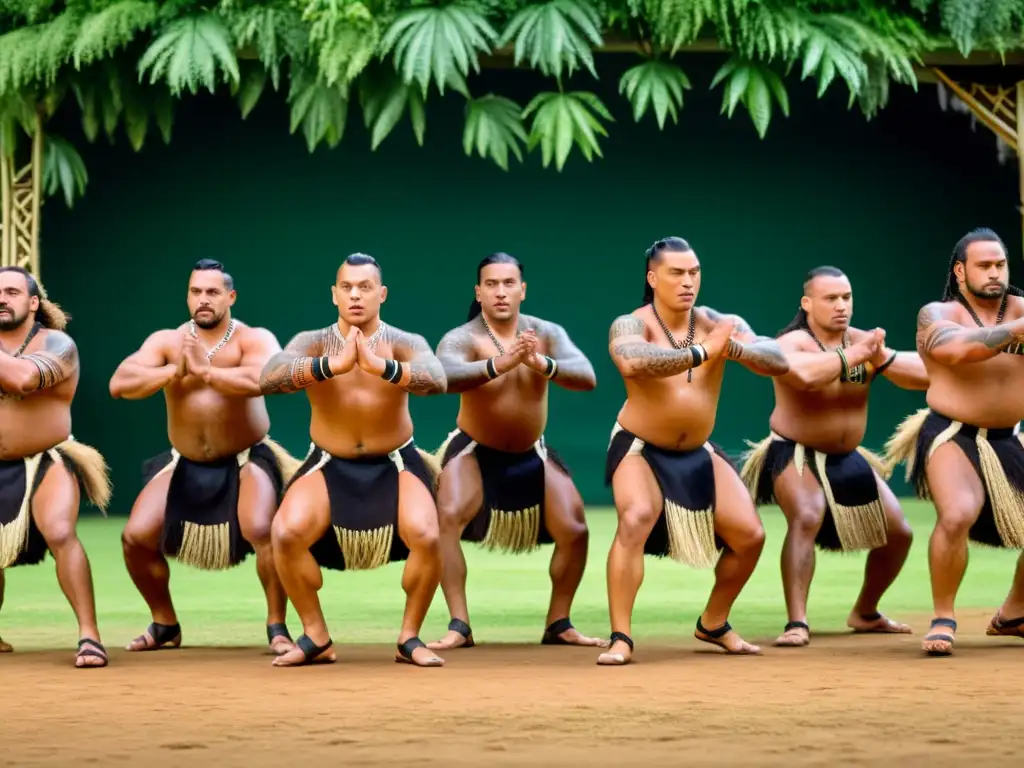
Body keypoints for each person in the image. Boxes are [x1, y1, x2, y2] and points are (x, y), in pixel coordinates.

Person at [599, 237, 790, 666]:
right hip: (639, 447)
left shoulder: (718, 321)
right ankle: (621, 637)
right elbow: (632, 362)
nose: (688, 282)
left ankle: (714, 623)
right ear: (652, 278)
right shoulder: (631, 323)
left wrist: (732, 347)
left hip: (698, 449)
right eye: (676, 273)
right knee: (635, 518)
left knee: (750, 536)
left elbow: (777, 359)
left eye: (694, 272)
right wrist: (703, 351)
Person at [258, 253, 449, 668]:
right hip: (329, 461)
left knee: (428, 535)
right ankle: (316, 636)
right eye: (347, 287)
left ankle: (409, 637)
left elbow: (437, 379)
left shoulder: (405, 341)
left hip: (396, 461)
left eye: (364, 287)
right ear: (334, 295)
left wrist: (381, 366)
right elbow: (268, 378)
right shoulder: (313, 341)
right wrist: (332, 365)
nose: (355, 295)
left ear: (382, 293)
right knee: (285, 532)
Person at [109, 259, 301, 656]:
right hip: (184, 460)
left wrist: (207, 372)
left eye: (212, 292)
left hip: (247, 457)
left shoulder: (253, 338)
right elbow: (120, 383)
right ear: (187, 297)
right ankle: (164, 623)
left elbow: (268, 379)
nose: (203, 299)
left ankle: (277, 625)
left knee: (263, 529)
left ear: (230, 297)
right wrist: (173, 372)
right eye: (196, 291)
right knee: (135, 537)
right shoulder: (167, 341)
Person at [738, 266, 928, 648]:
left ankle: (866, 612)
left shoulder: (864, 341)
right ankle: (797, 622)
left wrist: (883, 357)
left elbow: (927, 375)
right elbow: (805, 377)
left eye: (846, 297)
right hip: (792, 452)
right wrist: (856, 354)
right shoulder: (792, 343)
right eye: (830, 298)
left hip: (848, 456)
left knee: (900, 534)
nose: (841, 306)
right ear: (807, 303)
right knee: (807, 515)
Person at [426, 252, 605, 651]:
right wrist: (500, 364)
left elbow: (587, 375)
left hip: (531, 451)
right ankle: (459, 624)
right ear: (479, 291)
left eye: (509, 283)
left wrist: (542, 363)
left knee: (575, 529)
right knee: (446, 517)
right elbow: (443, 375)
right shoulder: (463, 337)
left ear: (523, 290)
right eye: (491, 284)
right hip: (473, 448)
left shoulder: (545, 332)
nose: (501, 292)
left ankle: (558, 622)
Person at [884, 227, 1024, 657]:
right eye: (984, 265)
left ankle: (1014, 613)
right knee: (958, 512)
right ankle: (943, 615)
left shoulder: (1021, 308)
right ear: (961, 271)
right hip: (952, 433)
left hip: (1009, 438)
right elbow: (955, 351)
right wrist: (1015, 330)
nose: (995, 273)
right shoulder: (937, 314)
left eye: (1000, 264)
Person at [0, 266, 111, 668]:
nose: (1, 299)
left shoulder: (58, 344)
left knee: (61, 532)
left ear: (33, 303)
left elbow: (25, 379)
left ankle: (89, 635)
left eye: (11, 292)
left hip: (46, 459)